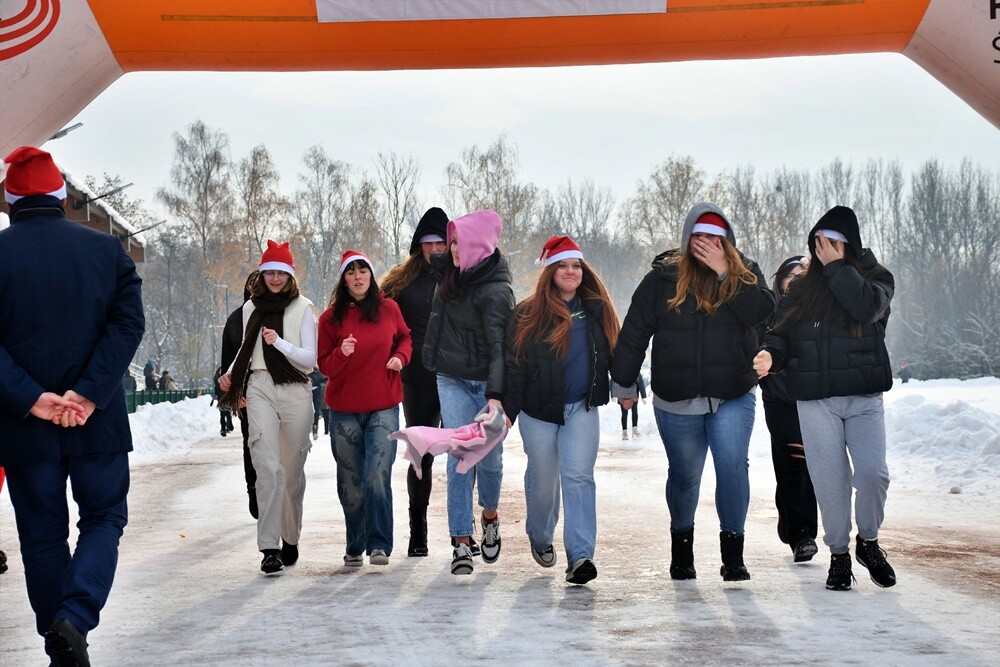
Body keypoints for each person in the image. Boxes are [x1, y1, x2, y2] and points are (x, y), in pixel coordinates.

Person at [0, 146, 145, 665]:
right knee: (103, 517)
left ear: (10, 200)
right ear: (62, 198)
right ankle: (75, 619)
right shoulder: (106, 251)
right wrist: (87, 392)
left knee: (41, 537)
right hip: (95, 419)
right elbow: (128, 324)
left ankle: (60, 647)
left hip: (23, 424)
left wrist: (31, 398)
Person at [611, 203, 774, 582]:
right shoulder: (663, 278)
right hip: (677, 398)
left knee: (732, 467)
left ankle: (733, 557)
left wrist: (726, 273)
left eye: (715, 238)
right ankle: (681, 549)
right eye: (699, 237)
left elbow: (762, 313)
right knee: (685, 477)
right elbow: (634, 332)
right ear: (687, 239)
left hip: (733, 393)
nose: (707, 245)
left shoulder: (745, 272)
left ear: (727, 241)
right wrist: (624, 382)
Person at [754, 205, 897, 591]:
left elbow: (866, 309)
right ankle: (839, 554)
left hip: (863, 397)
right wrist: (771, 355)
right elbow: (780, 333)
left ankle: (868, 542)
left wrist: (837, 269)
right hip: (816, 400)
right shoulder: (802, 289)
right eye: (819, 244)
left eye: (834, 242)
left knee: (873, 474)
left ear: (851, 244)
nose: (825, 250)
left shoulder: (876, 278)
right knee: (830, 481)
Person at [503, 235, 620, 585]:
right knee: (543, 481)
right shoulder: (527, 313)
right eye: (563, 266)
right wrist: (507, 410)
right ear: (550, 272)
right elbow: (514, 367)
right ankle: (540, 536)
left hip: (581, 408)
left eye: (576, 266)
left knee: (579, 477)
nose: (571, 272)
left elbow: (614, 352)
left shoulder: (596, 309)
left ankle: (581, 556)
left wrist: (627, 385)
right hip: (538, 412)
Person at [423, 209, 514, 575]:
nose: (454, 250)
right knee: (459, 453)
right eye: (453, 243)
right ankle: (461, 541)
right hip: (451, 378)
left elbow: (501, 349)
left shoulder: (497, 292)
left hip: (487, 385)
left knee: (489, 459)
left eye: (461, 243)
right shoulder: (448, 275)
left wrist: (496, 396)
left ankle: (489, 515)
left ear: (479, 245)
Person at [219, 240, 316, 575]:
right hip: (260, 385)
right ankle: (269, 547)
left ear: (290, 276)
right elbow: (246, 348)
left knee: (291, 474)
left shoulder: (303, 307)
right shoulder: (250, 308)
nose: (275, 278)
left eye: (281, 273)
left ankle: (290, 537)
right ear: (262, 275)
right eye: (269, 272)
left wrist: (281, 343)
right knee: (267, 466)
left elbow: (310, 358)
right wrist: (231, 374)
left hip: (295, 388)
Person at [318, 250, 412, 567]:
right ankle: (355, 544)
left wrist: (400, 357)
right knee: (351, 482)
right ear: (343, 280)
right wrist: (341, 353)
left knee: (377, 474)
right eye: (351, 272)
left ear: (371, 275)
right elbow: (324, 366)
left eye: (363, 271)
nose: (357, 277)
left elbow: (405, 339)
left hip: (383, 406)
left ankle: (379, 544)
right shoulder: (330, 319)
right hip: (344, 411)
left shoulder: (389, 309)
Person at [380, 206, 449, 557]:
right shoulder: (400, 282)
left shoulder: (463, 275)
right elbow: (375, 316)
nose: (435, 249)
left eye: (441, 242)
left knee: (463, 454)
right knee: (421, 456)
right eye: (429, 242)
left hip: (457, 377)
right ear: (418, 244)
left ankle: (462, 534)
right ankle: (417, 531)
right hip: (418, 379)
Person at [759, 256, 819, 563]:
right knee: (794, 462)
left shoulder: (817, 311)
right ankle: (801, 535)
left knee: (802, 466)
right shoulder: (767, 312)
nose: (795, 279)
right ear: (779, 280)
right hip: (779, 401)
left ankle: (791, 524)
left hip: (812, 401)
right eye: (790, 275)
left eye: (801, 274)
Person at [222, 271, 261, 518]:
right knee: (251, 443)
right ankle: (253, 489)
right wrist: (235, 393)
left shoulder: (280, 314)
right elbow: (227, 361)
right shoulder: (237, 319)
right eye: (252, 285)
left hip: (275, 393)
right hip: (247, 395)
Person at [619, 373, 646, 440]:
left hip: (634, 395)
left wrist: (643, 396)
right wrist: (613, 394)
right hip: (623, 395)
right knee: (624, 413)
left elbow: (641, 384)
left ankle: (635, 429)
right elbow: (615, 381)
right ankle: (624, 432)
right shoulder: (620, 370)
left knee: (634, 411)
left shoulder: (637, 372)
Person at [213, 366, 234, 436]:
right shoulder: (217, 379)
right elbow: (216, 390)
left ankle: (229, 425)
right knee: (222, 414)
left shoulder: (228, 378)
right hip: (221, 399)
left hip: (227, 398)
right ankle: (223, 429)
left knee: (228, 413)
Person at [308, 367, 328, 440]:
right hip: (308, 393)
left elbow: (325, 379)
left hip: (317, 394)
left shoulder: (319, 373)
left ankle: (315, 429)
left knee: (316, 412)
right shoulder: (308, 372)